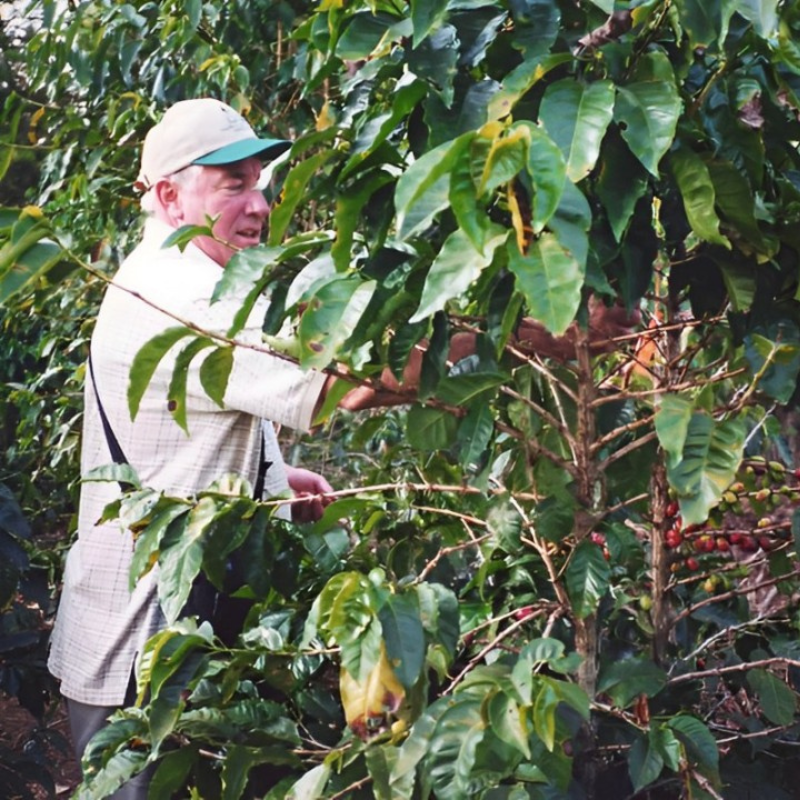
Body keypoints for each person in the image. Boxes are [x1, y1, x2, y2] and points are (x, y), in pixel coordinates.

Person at [47, 98, 639, 799]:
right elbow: (345, 382)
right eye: (231, 183)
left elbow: (202, 409)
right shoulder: (182, 293)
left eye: (259, 180)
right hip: (143, 651)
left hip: (178, 631)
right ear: (172, 197)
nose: (259, 203)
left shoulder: (181, 273)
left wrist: (272, 476)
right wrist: (530, 333)